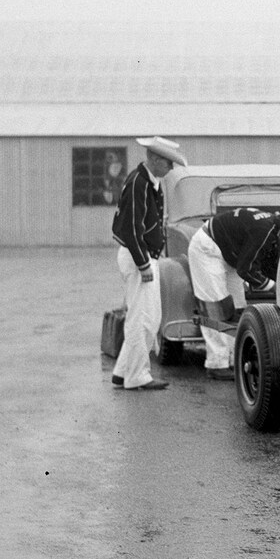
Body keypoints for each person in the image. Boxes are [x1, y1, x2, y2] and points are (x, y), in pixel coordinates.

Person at [110, 136, 187, 390]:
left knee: (145, 317)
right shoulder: (139, 183)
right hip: (138, 257)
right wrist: (144, 265)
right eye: (168, 163)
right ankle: (137, 376)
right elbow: (132, 228)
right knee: (143, 319)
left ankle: (123, 372)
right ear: (154, 159)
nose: (170, 168)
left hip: (143, 255)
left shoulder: (149, 182)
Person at [188, 208, 280, 380]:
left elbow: (263, 263)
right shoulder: (264, 231)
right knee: (216, 306)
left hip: (229, 251)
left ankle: (235, 358)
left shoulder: (275, 227)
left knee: (239, 306)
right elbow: (246, 269)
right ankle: (217, 363)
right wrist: (275, 288)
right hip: (207, 248)